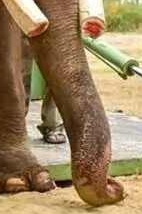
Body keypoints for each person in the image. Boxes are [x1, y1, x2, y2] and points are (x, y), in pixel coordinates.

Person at [21, 15, 106, 144]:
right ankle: (15, 123)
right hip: (20, 16)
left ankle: (53, 125)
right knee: (19, 70)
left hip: (58, 15)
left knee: (58, 73)